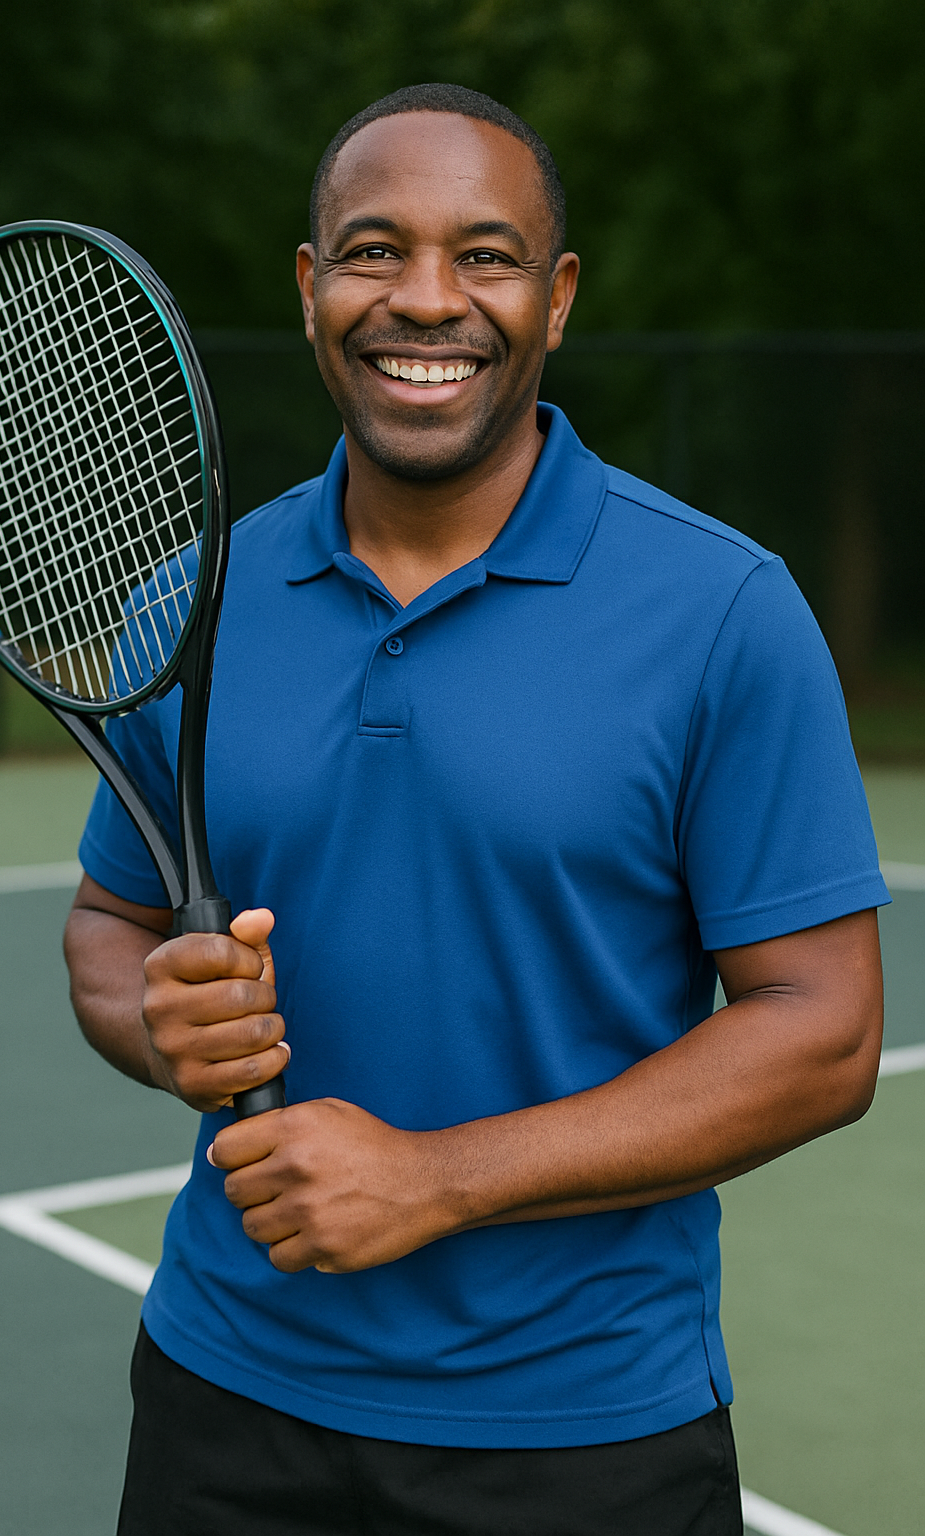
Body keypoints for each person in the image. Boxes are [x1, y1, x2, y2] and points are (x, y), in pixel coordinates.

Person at [64, 83, 888, 1535]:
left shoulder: (722, 612)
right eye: (376, 250)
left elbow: (823, 1032)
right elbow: (110, 925)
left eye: (487, 255)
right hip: (220, 1404)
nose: (427, 300)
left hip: (583, 1437)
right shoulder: (192, 603)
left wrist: (439, 1179)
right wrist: (154, 1020)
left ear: (557, 298)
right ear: (314, 291)